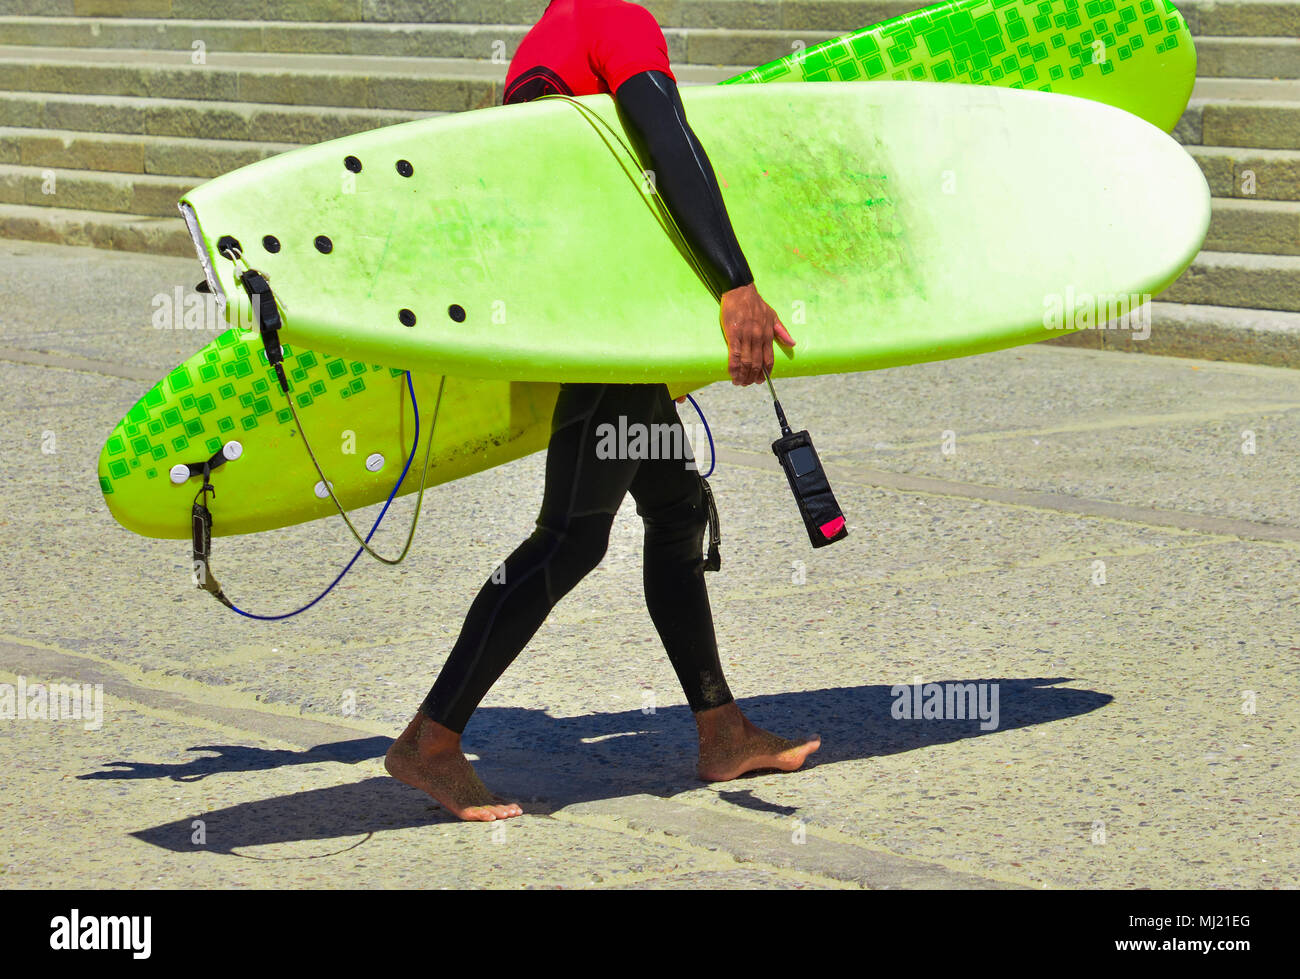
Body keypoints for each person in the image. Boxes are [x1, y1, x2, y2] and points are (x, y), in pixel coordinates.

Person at [385, 0, 819, 821]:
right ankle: (431, 740)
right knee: (570, 538)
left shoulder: (553, 31)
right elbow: (668, 138)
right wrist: (735, 282)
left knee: (676, 507)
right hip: (600, 320)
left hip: (589, 305)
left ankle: (722, 729)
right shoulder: (613, 17)